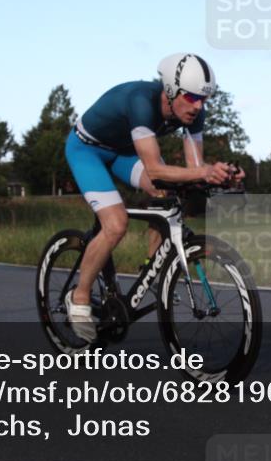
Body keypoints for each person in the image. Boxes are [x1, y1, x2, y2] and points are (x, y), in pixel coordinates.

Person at [64, 53, 244, 341]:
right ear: (171, 90)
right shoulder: (141, 102)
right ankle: (80, 296)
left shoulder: (196, 113)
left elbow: (194, 169)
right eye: (192, 97)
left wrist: (221, 175)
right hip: (87, 150)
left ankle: (152, 270)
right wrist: (204, 173)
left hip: (122, 152)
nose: (199, 106)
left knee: (167, 194)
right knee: (116, 223)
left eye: (205, 99)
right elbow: (155, 169)